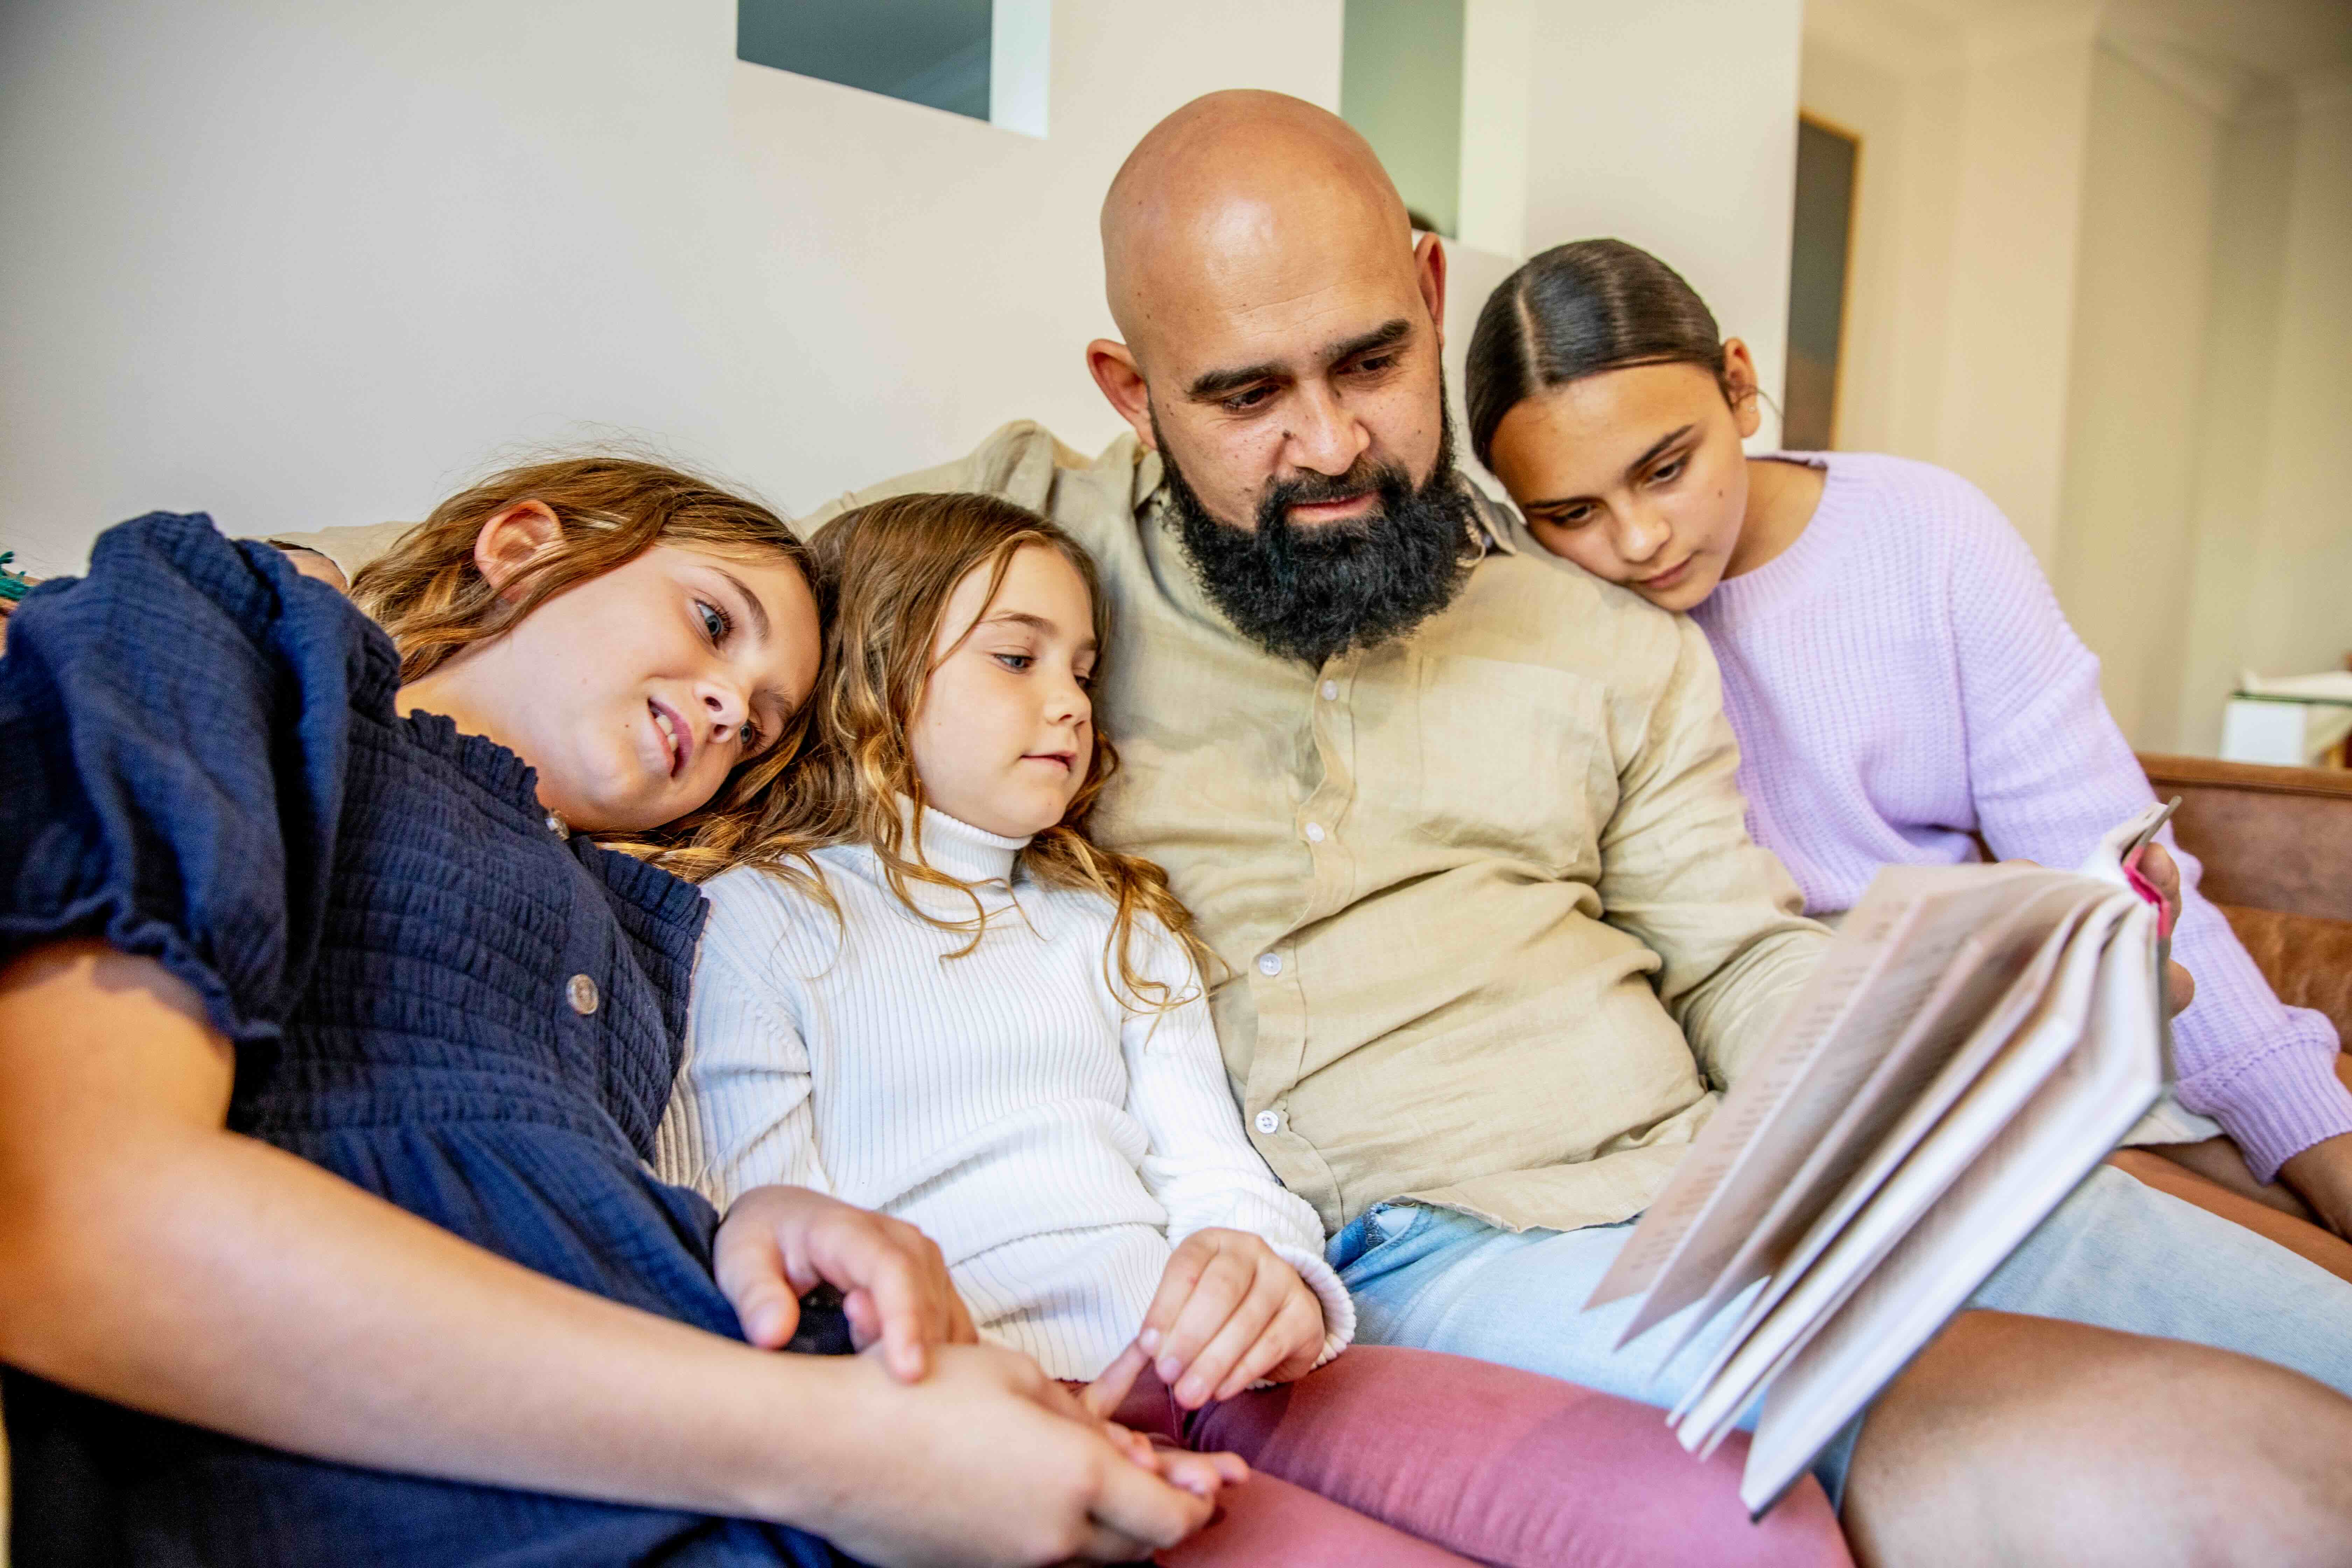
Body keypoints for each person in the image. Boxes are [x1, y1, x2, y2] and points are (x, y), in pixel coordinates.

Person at [781, 90, 2352, 1566]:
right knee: (2223, 1464)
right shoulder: (1009, 565)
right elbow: (685, 647)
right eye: (1247, 395)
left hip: (1729, 1163)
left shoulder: (1604, 634)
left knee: (2316, 1346)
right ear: (1130, 390)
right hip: (1443, 1242)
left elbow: (1732, 958)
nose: (1328, 445)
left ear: (1432, 289)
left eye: (1373, 362)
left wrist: (1920, 1067)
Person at [0, 459, 1228, 1566]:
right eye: (711, 622)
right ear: (526, 542)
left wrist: (761, 1234)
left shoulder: (653, 926)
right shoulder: (261, 633)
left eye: (761, 724)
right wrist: (842, 1441)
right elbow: (74, 1218)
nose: (726, 709)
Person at [654, 490, 1851, 1566]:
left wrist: (1264, 1269)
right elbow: (756, 1252)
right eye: (1016, 659)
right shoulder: (759, 922)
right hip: (980, 1420)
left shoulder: (1109, 925)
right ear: (872, 668)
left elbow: (1217, 1172)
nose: (1069, 704)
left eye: (1084, 669)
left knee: (1740, 1515)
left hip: (1220, 1375)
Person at [1461, 237, 2352, 1271]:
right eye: (1572, 514)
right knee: (2206, 1244)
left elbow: (2110, 867)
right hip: (1812, 1085)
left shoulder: (1927, 534)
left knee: (2282, 1185)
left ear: (1741, 389)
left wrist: (2312, 1126)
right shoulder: (1561, 631)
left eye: (1668, 469)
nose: (1641, 540)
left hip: (2017, 1023)